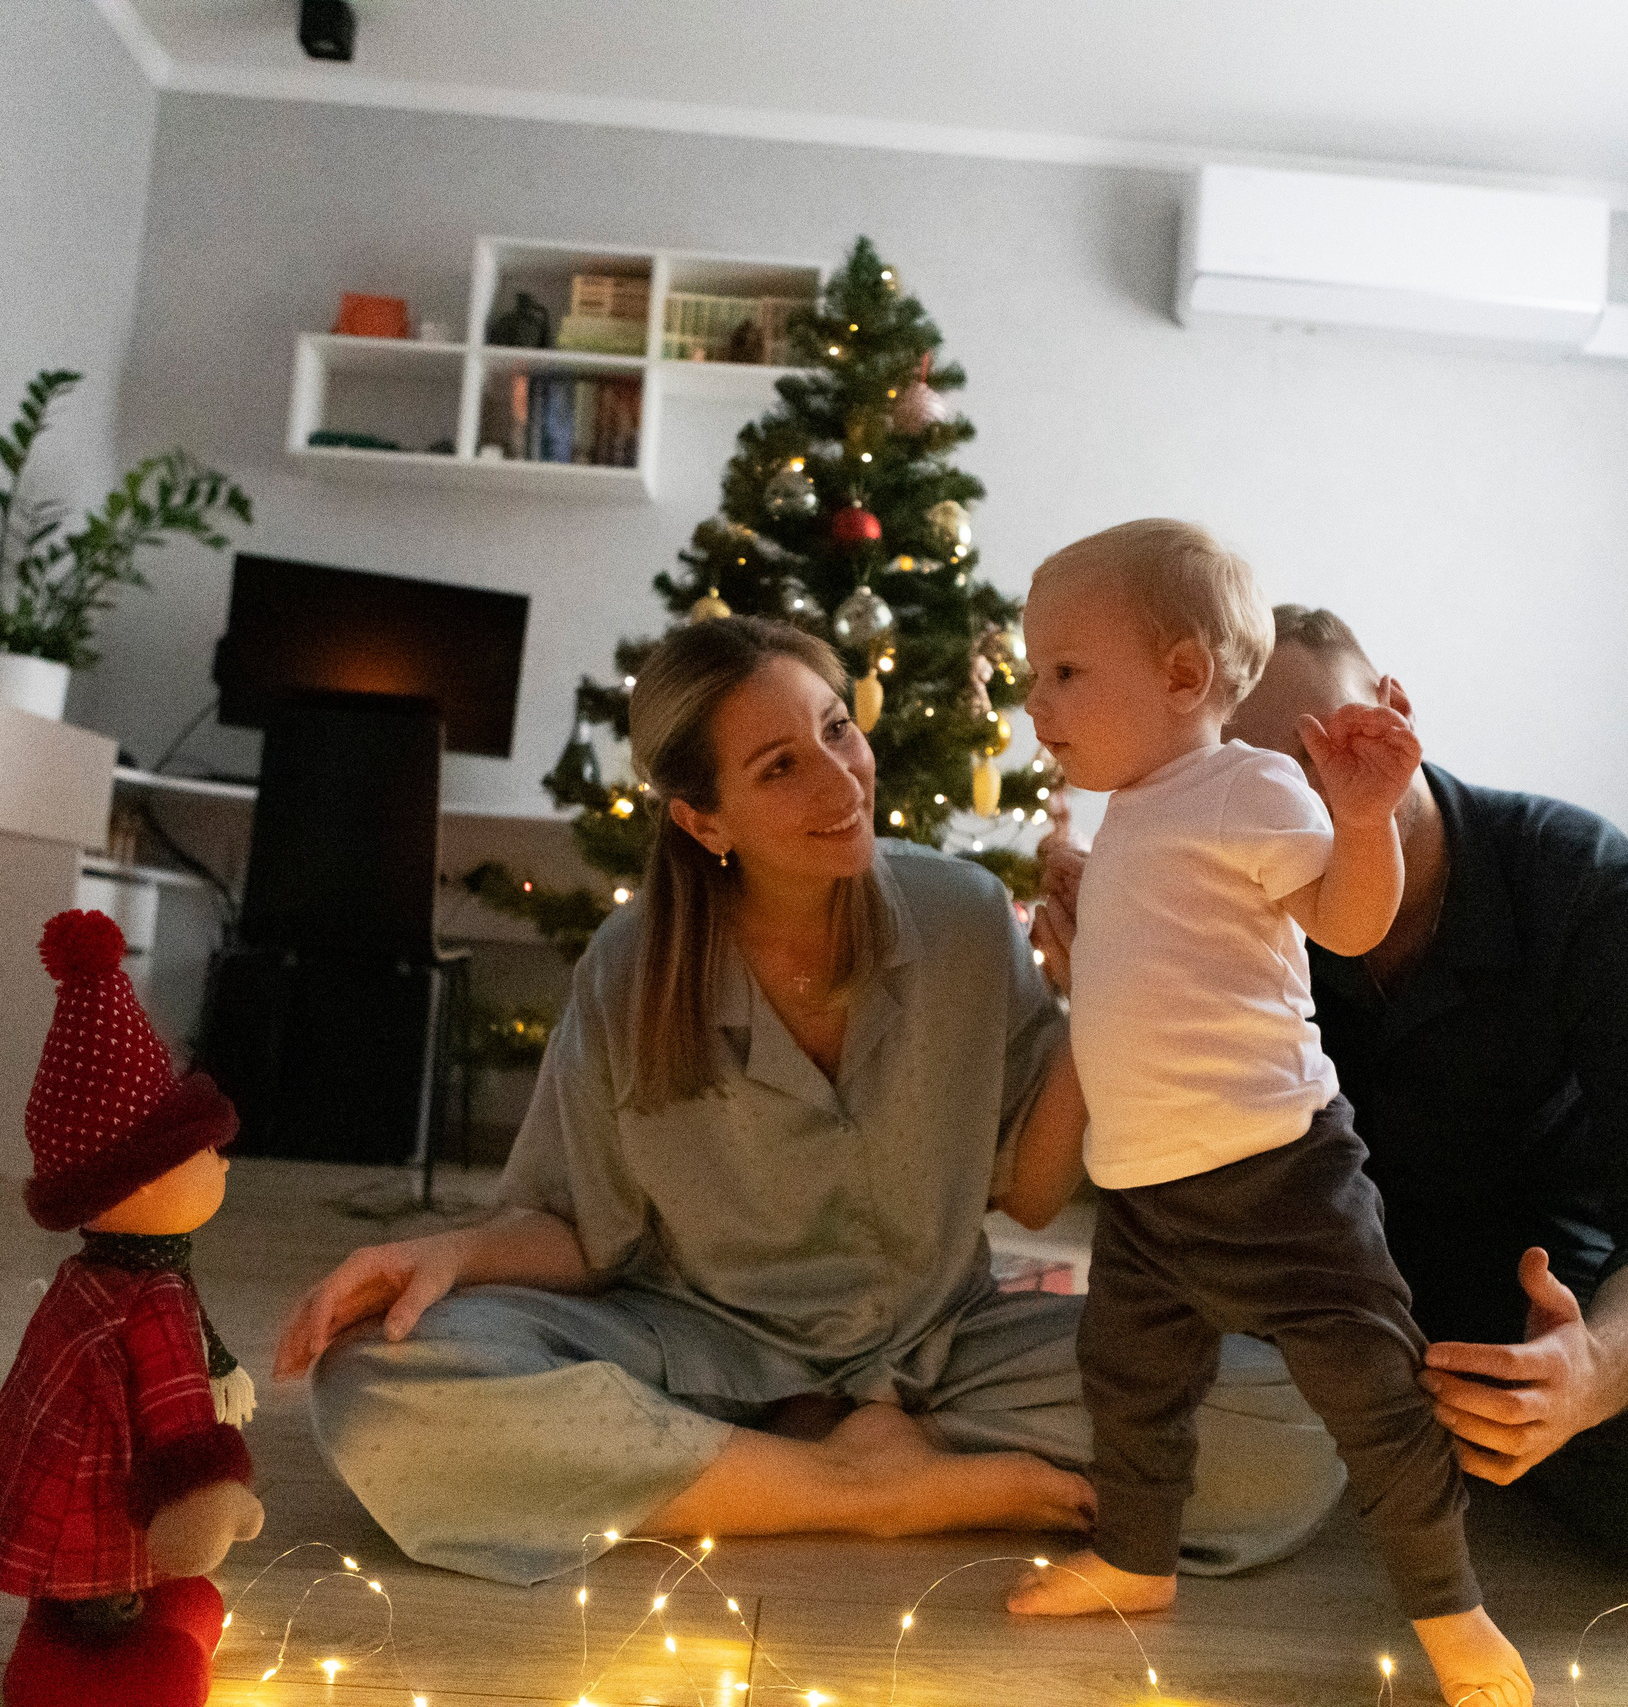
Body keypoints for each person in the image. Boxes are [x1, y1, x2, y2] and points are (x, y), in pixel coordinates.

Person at [273, 616, 1347, 1588]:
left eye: (838, 730)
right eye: (780, 766)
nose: (841, 782)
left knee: (1299, 1424)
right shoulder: (630, 968)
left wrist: (1098, 992)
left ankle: (780, 1464)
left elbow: (1030, 1191)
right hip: (696, 1350)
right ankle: (855, 1485)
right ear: (703, 819)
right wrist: (451, 1251)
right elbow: (585, 1231)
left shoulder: (963, 917)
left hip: (943, 1348)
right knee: (376, 1385)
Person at [1033, 603, 1628, 1578]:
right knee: (1115, 1393)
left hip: (1544, 1279)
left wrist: (1592, 1367)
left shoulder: (1590, 888)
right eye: (1247, 777)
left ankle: (1463, 1430)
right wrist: (1109, 992)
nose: (1299, 802)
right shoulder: (1226, 896)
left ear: (1396, 711)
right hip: (1306, 1276)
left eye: (1320, 751)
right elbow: (1154, 1179)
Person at [1003, 521, 1531, 1707]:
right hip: (1144, 1188)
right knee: (1129, 1383)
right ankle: (1135, 1560)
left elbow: (1346, 922)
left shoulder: (1247, 785)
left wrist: (1362, 823)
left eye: (1064, 671)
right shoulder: (1134, 808)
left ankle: (1449, 1610)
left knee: (1370, 1393)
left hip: (1277, 1176)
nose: (1037, 700)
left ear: (1184, 675)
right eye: (1035, 674)